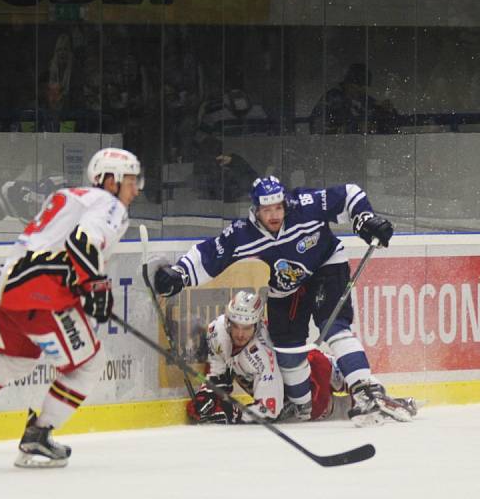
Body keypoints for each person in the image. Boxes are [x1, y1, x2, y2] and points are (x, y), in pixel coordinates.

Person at [0, 148, 143, 467]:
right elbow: (82, 241)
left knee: (15, 360)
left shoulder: (68, 195)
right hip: (39, 290)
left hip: (4, 288)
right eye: (130, 180)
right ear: (110, 180)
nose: (136, 188)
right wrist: (95, 286)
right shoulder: (109, 204)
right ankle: (38, 436)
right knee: (88, 363)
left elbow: (13, 194)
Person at [151, 175, 417, 427]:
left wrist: (364, 218)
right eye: (267, 210)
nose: (275, 215)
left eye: (278, 207)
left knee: (334, 325)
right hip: (287, 285)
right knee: (286, 350)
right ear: (255, 211)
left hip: (326, 265)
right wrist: (179, 274)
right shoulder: (243, 234)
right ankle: (301, 407)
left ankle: (365, 390)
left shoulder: (305, 206)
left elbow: (349, 194)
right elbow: (209, 254)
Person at [186, 290, 343, 424]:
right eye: (235, 326)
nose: (240, 334)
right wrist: (207, 395)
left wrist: (231, 413)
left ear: (257, 324)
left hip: (315, 379)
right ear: (228, 320)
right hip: (287, 402)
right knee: (329, 409)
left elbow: (269, 410)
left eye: (246, 328)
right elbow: (219, 372)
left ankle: (348, 385)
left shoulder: (262, 353)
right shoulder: (217, 331)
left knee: (327, 404)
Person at [309, 63, 400, 135]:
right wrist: (353, 128)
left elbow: (390, 124)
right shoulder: (332, 98)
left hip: (361, 149)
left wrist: (387, 111)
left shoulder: (364, 100)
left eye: (364, 90)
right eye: (357, 88)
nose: (359, 93)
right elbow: (316, 128)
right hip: (336, 150)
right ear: (347, 84)